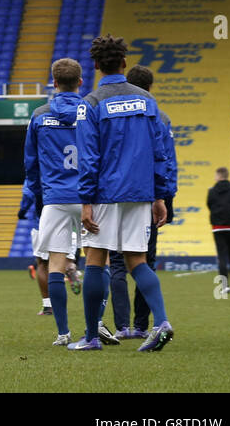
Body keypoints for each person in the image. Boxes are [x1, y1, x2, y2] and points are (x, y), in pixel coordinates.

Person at [69, 35, 175, 352]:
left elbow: (88, 157)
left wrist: (86, 201)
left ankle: (90, 336)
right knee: (138, 261)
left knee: (96, 261)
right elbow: (160, 152)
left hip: (105, 193)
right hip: (141, 192)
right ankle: (163, 322)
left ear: (97, 66)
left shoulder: (91, 103)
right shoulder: (147, 101)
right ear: (125, 63)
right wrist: (159, 196)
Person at [20, 58, 88, 346]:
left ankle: (63, 333)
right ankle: (98, 326)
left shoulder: (39, 115)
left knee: (55, 264)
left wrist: (37, 197)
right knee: (98, 262)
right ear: (81, 82)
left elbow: (31, 164)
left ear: (54, 82)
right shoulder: (92, 112)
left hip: (56, 197)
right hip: (89, 197)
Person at [208, 166, 230, 294]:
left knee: (222, 256)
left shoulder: (212, 191)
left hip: (218, 227)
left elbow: (209, 205)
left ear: (219, 176)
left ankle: (224, 287)